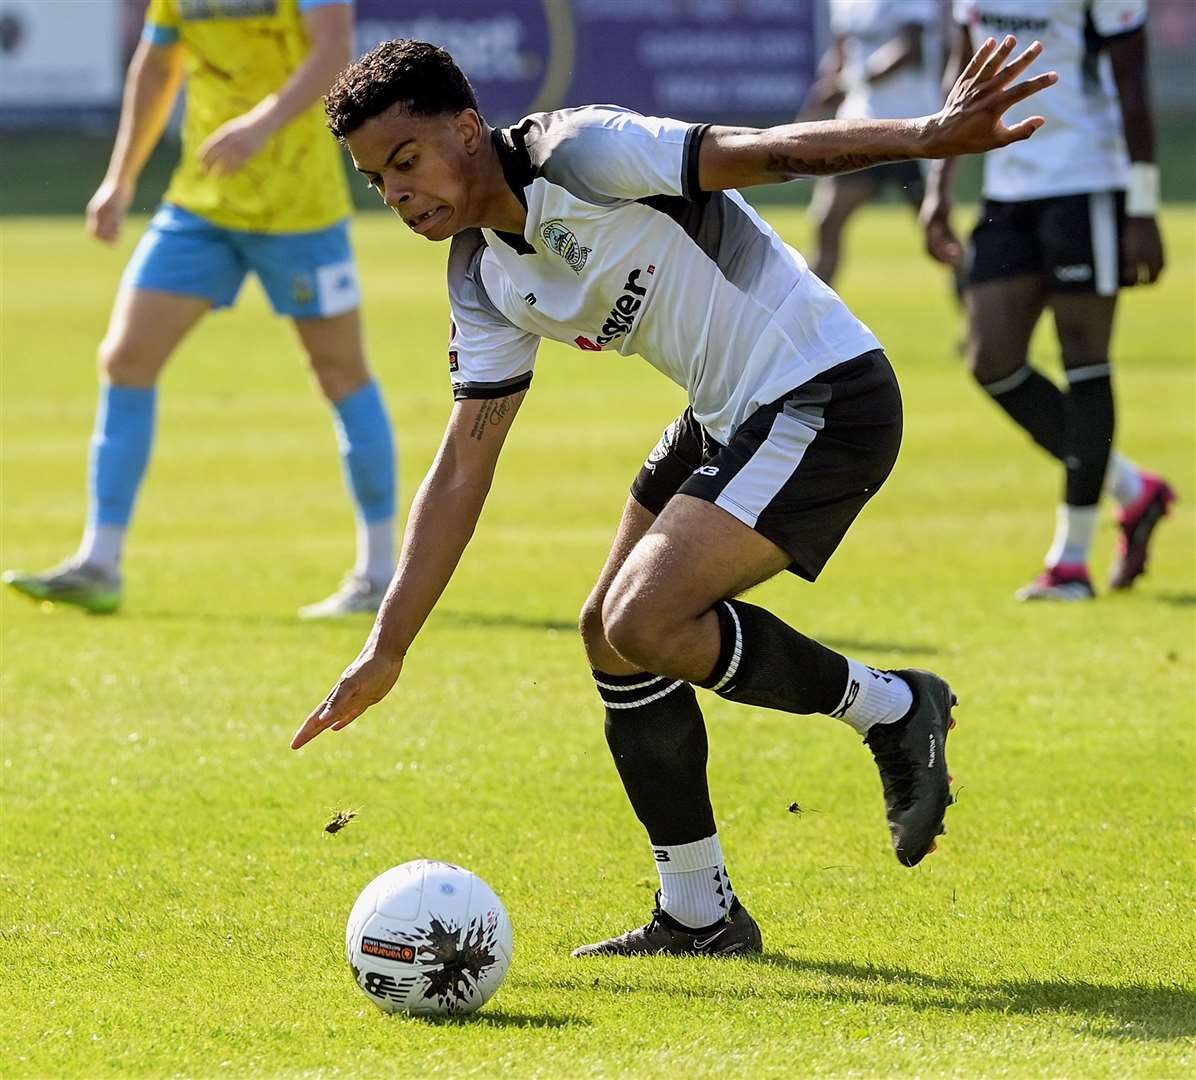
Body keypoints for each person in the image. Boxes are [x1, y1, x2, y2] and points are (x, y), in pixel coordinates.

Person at [290, 37, 1054, 956]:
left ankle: (892, 708)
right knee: (610, 639)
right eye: (379, 181)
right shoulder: (480, 274)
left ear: (465, 127)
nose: (400, 194)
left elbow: (760, 151)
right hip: (729, 410)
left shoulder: (581, 150)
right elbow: (464, 464)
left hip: (823, 391)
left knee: (647, 617)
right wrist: (388, 644)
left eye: (406, 161)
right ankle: (700, 912)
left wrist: (926, 137)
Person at [3, 0, 398, 619]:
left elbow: (333, 52)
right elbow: (157, 64)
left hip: (299, 207)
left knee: (340, 373)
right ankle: (99, 563)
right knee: (126, 358)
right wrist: (120, 177)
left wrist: (261, 124)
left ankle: (379, 573)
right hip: (202, 205)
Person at [920, 0, 1174, 601]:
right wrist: (938, 187)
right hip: (1009, 189)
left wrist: (1141, 206)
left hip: (1088, 182)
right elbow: (962, 75)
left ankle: (1072, 562)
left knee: (1084, 358)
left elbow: (1133, 81)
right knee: (993, 362)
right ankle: (1133, 490)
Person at [803, 0, 945, 285]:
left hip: (912, 130)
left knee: (940, 235)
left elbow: (910, 50)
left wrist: (850, 81)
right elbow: (841, 54)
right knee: (827, 222)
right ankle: (810, 323)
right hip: (859, 127)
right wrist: (817, 104)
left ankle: (978, 315)